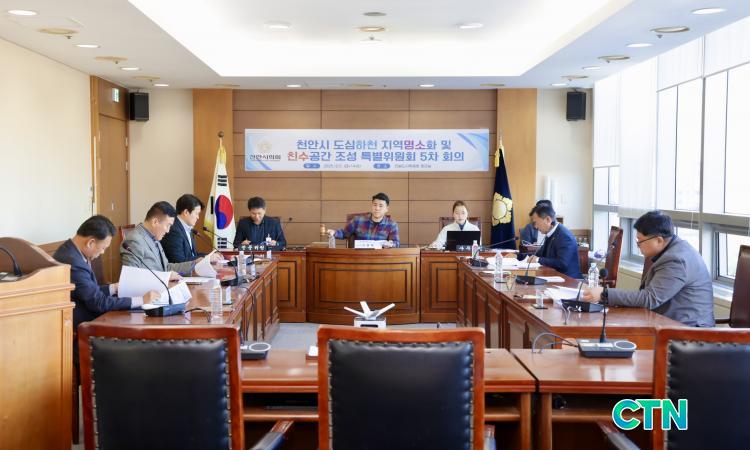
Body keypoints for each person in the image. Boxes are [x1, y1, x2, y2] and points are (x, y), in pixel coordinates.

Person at [53, 215, 159, 364]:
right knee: (137, 331)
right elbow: (97, 302)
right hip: (82, 328)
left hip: (90, 317)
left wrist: (113, 288)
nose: (103, 252)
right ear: (91, 242)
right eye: (103, 248)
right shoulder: (72, 262)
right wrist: (141, 300)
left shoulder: (72, 251)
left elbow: (89, 292)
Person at [582, 211, 715, 327]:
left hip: (688, 332)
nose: (638, 245)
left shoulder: (676, 260)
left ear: (659, 240)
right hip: (670, 323)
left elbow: (650, 299)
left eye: (640, 241)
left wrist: (604, 294)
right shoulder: (673, 249)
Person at [120, 201, 205, 277]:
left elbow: (166, 267)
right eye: (168, 225)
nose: (168, 231)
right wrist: (165, 277)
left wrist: (194, 264)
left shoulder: (154, 237)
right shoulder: (134, 240)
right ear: (155, 222)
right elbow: (132, 277)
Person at [526, 204, 580, 279]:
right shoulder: (551, 233)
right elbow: (540, 253)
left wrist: (538, 260)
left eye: (536, 222)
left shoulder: (564, 236)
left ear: (548, 220)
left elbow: (562, 263)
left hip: (568, 280)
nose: (535, 227)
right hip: (553, 277)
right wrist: (520, 256)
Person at [327, 192, 400, 247]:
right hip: (360, 257)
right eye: (375, 205)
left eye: (381, 206)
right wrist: (334, 233)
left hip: (379, 258)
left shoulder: (392, 225)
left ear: (387, 209)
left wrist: (390, 244)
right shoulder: (358, 220)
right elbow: (345, 233)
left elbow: (396, 243)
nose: (377, 208)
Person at [162, 194, 218, 263]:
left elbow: (193, 255)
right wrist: (207, 258)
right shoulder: (174, 230)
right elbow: (178, 261)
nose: (198, 217)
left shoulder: (188, 228)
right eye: (196, 213)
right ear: (186, 212)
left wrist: (210, 256)